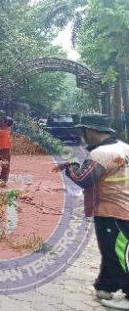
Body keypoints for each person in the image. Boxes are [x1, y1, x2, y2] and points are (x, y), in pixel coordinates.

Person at [56, 114, 129, 310]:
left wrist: (70, 167)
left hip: (112, 210)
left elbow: (85, 179)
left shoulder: (101, 154)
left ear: (91, 131)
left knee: (115, 253)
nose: (83, 136)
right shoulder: (123, 147)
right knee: (111, 250)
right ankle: (105, 286)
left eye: (84, 131)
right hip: (122, 207)